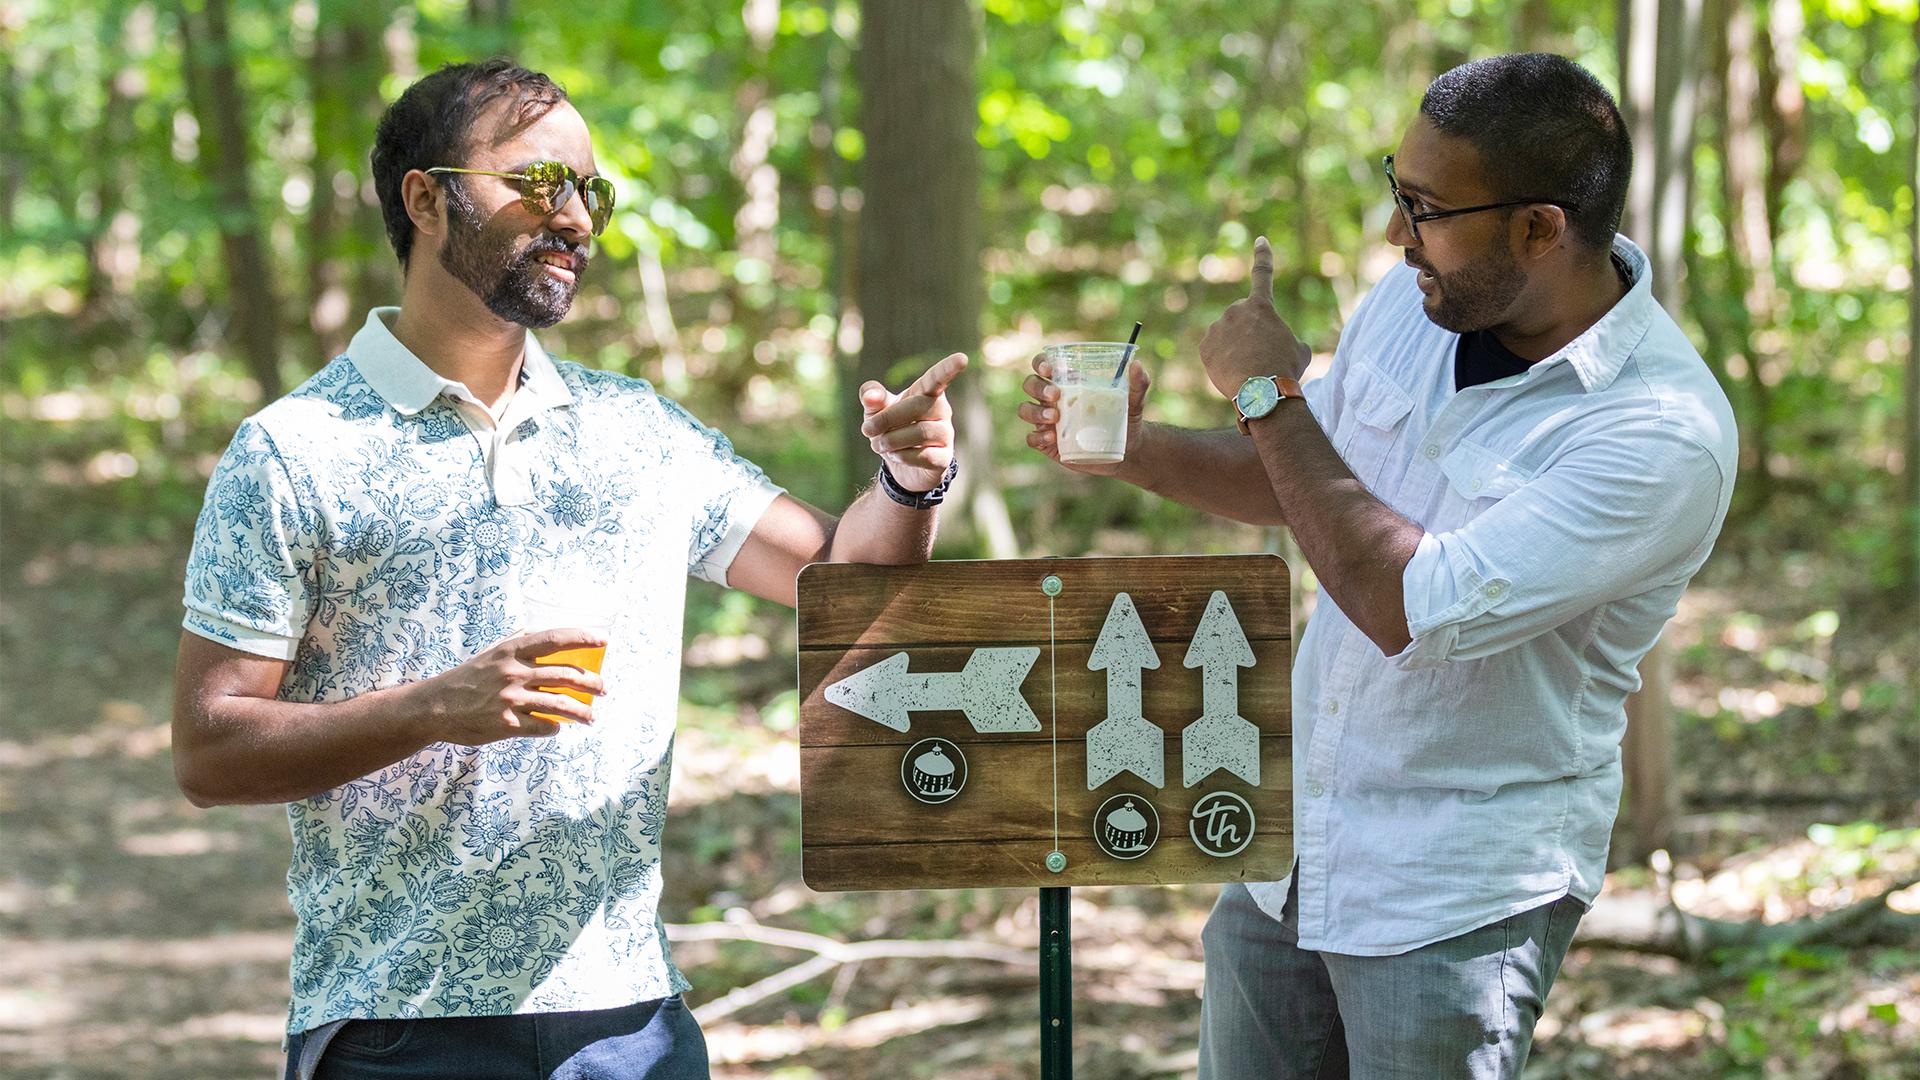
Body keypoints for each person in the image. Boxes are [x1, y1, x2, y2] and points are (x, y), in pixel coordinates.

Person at [172, 59, 967, 1080]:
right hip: (397, 1026)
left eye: (592, 191)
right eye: (541, 182)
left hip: (631, 1025)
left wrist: (908, 480)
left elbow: (845, 584)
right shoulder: (294, 450)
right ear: (426, 200)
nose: (578, 218)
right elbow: (209, 750)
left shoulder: (638, 431)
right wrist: (430, 708)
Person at [1020, 53, 1735, 1078]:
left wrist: (1268, 395)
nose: (1399, 234)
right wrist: (1137, 449)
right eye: (1398, 190)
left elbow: (1408, 605)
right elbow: (1311, 487)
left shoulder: (1658, 431)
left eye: (1426, 209)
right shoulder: (1418, 302)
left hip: (1455, 893)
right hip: (1291, 847)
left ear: (1539, 228)